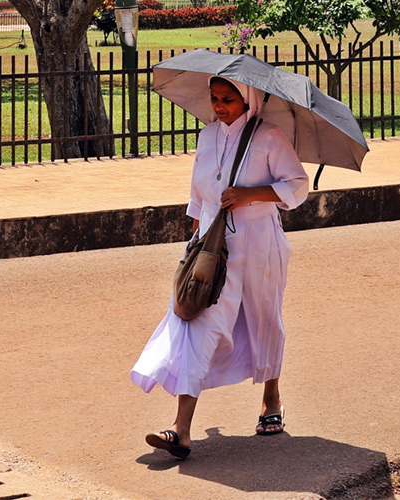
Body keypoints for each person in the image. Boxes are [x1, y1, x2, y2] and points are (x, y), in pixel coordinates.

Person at [130, 76, 308, 459]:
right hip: (212, 248)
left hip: (260, 242)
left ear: (249, 100)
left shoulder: (270, 136)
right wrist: (194, 242)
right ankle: (181, 429)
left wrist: (250, 195)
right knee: (197, 321)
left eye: (228, 99)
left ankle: (271, 400)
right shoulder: (207, 136)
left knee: (264, 318)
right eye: (214, 98)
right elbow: (198, 193)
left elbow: (297, 186)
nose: (220, 105)